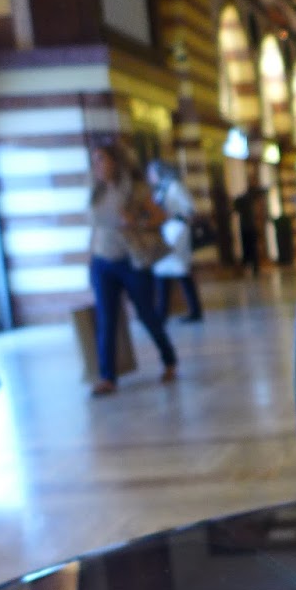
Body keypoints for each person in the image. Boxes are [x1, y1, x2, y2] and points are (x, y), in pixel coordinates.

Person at [87, 140, 177, 397]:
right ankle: (108, 377)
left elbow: (161, 216)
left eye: (102, 159)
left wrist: (135, 220)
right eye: (95, 161)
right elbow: (94, 229)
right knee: (106, 319)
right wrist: (89, 260)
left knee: (146, 313)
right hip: (102, 262)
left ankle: (169, 359)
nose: (98, 166)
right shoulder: (96, 192)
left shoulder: (134, 190)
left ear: (115, 161)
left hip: (131, 261)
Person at [147, 159, 203, 323]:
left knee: (180, 270)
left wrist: (173, 215)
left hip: (177, 232)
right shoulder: (161, 189)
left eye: (151, 173)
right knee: (163, 271)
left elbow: (189, 210)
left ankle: (193, 310)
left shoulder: (174, 186)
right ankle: (162, 312)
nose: (149, 176)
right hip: (166, 232)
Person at [233, 181, 265, 276]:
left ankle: (251, 267)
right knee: (251, 248)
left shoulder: (244, 199)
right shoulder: (248, 200)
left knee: (248, 248)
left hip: (246, 227)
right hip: (248, 227)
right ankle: (252, 267)